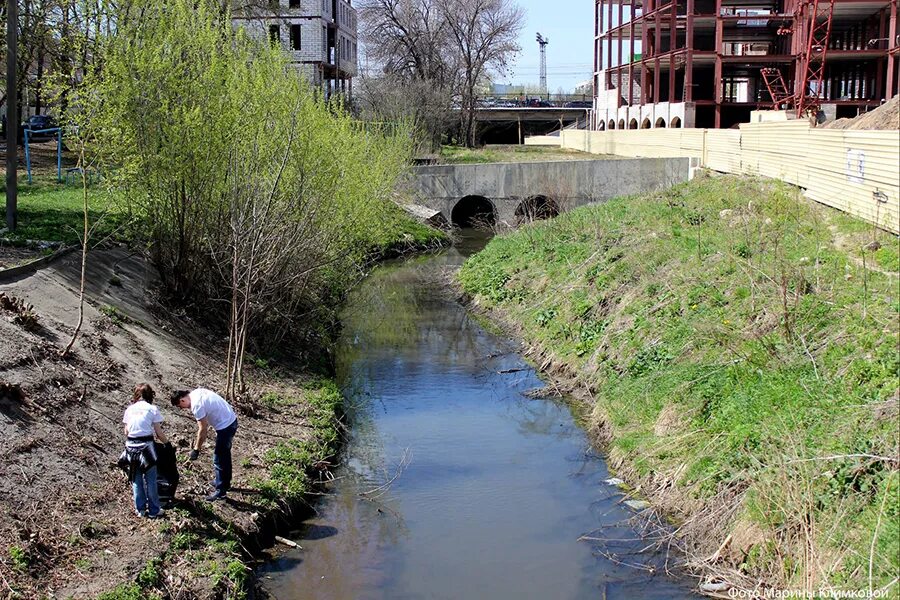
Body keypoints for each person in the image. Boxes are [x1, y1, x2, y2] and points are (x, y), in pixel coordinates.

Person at [170, 388, 238, 502]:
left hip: (226, 426)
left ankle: (221, 492)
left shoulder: (196, 405)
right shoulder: (197, 392)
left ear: (182, 400)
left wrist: (196, 449)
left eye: (180, 406)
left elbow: (203, 429)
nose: (182, 408)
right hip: (230, 420)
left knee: (219, 458)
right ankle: (224, 482)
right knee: (225, 455)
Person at [121, 383, 169, 518]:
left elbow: (126, 431)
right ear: (150, 395)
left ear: (136, 395)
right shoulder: (152, 409)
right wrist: (167, 444)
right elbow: (159, 433)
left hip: (131, 447)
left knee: (136, 480)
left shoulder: (130, 409)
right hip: (147, 447)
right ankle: (154, 510)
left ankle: (140, 510)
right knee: (151, 479)